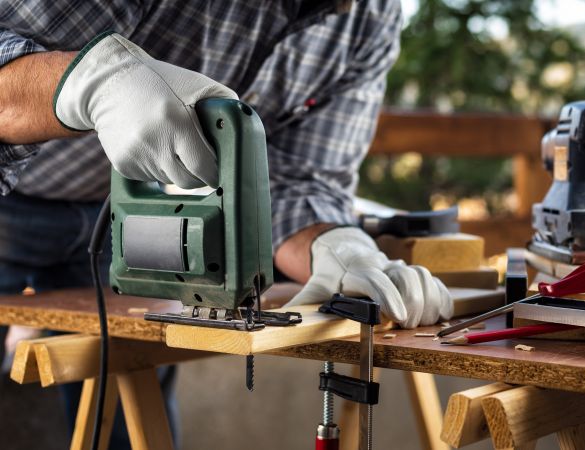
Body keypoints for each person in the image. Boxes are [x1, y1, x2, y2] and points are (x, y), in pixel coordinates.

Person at [0, 1, 452, 447]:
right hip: (9, 201)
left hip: (118, 221)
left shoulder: (367, 19)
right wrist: (89, 83)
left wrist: (334, 247)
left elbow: (299, 183)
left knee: (128, 400)